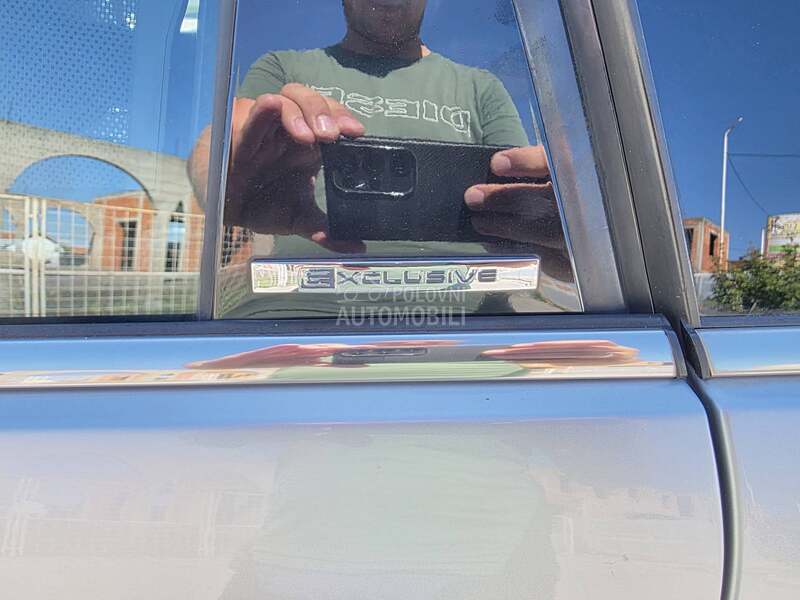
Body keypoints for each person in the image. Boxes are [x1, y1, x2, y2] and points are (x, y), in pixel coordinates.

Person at [188, 0, 562, 260]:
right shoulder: (283, 69)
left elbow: (522, 206)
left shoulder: (482, 87)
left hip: (475, 316)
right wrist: (225, 184)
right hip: (298, 316)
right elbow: (225, 137)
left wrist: (560, 220)